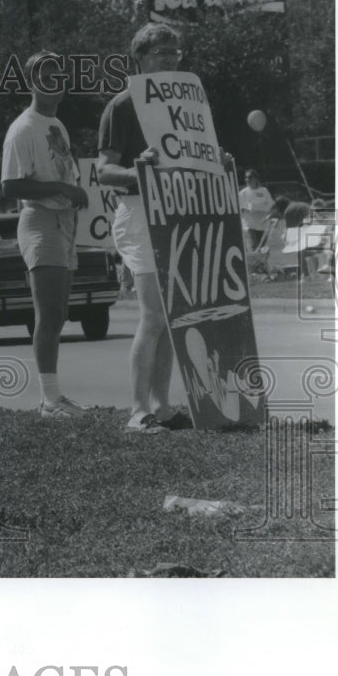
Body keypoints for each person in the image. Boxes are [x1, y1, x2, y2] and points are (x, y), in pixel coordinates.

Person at [96, 22, 232, 433]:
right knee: (154, 316)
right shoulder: (121, 106)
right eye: (160, 53)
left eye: (175, 53)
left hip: (180, 210)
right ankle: (138, 410)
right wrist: (140, 170)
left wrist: (216, 160)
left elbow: (195, 158)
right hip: (139, 213)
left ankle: (164, 405)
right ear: (139, 59)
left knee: (174, 318)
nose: (170, 59)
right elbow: (104, 170)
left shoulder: (190, 105)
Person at [1, 50, 89, 420]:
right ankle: (49, 400)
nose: (54, 81)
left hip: (64, 223)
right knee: (49, 314)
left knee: (60, 313)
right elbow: (9, 186)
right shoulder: (23, 127)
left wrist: (75, 191)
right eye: (45, 75)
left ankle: (55, 397)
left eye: (59, 75)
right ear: (32, 83)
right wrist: (63, 190)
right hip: (40, 221)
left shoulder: (58, 125)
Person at [238, 169, 274, 251]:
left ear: (256, 178)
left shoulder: (264, 191)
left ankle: (262, 264)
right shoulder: (243, 193)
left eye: (250, 177)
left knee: (263, 249)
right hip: (249, 226)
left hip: (263, 225)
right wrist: (248, 209)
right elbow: (240, 208)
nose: (247, 180)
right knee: (253, 248)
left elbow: (271, 205)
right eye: (246, 177)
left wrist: (254, 207)